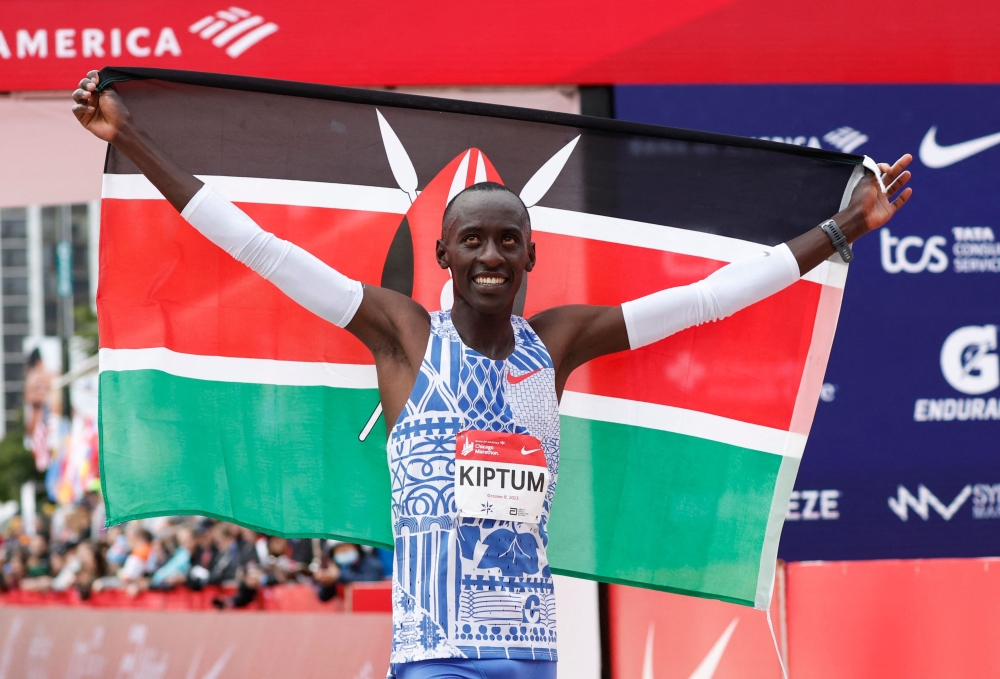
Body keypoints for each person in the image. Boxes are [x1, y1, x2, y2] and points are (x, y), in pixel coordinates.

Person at [72, 70, 912, 679]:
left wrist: (840, 230)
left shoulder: (560, 341)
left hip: (532, 654)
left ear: (530, 257)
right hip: (434, 657)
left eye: (508, 240)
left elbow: (707, 300)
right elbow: (261, 248)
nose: (490, 255)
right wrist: (133, 140)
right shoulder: (401, 335)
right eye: (472, 239)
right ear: (441, 254)